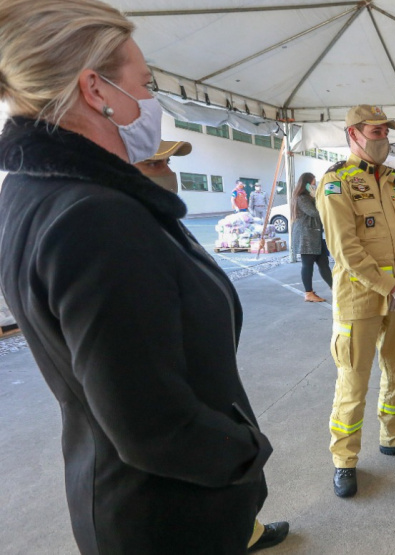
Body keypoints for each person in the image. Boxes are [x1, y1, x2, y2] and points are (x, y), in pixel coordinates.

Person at [0, 2, 276, 553]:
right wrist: (247, 454)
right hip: (168, 514)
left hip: (123, 493)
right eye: (144, 84)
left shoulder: (33, 189)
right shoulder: (97, 218)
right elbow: (151, 425)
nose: (151, 102)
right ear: (96, 90)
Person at [133, 141, 289, 551]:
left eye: (168, 162)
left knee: (231, 500)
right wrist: (241, 450)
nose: (169, 172)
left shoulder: (160, 216)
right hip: (185, 397)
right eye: (155, 163)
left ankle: (247, 529)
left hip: (214, 379)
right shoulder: (121, 227)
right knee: (204, 496)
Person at [315, 105, 395, 499]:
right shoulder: (336, 183)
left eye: (386, 132)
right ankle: (344, 460)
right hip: (359, 300)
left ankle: (394, 437)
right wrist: (391, 287)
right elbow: (345, 249)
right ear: (354, 135)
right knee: (353, 381)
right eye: (376, 132)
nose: (383, 139)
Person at [292, 172, 333, 303]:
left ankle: (335, 288)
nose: (315, 186)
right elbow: (314, 212)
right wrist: (318, 198)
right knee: (307, 264)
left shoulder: (309, 197)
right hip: (306, 236)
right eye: (313, 184)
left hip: (315, 235)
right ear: (306, 184)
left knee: (323, 263)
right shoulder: (302, 197)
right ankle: (308, 293)